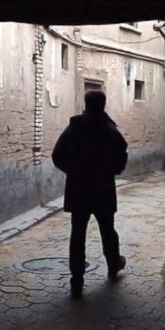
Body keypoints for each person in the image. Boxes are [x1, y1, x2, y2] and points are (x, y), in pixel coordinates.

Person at [51, 90, 128, 297]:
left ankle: (77, 280)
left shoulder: (74, 128)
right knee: (107, 230)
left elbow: (57, 155)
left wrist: (74, 171)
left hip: (79, 190)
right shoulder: (110, 130)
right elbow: (122, 156)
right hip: (103, 188)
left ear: (85, 104)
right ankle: (113, 264)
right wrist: (111, 170)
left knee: (78, 235)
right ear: (103, 105)